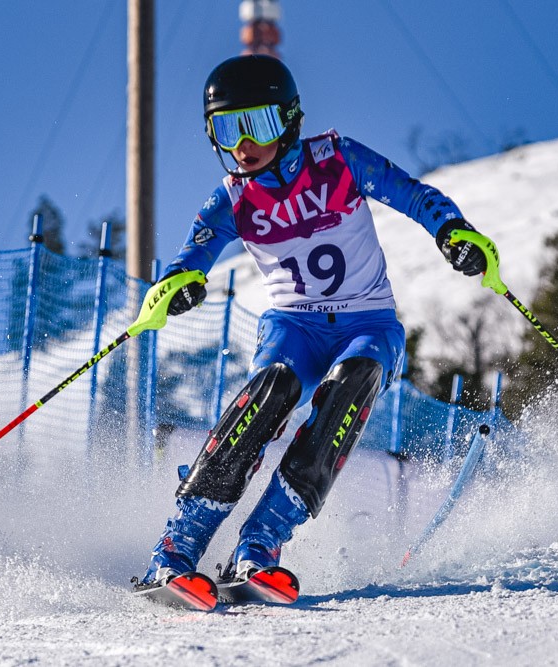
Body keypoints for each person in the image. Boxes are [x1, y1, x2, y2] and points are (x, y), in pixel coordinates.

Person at [137, 54, 487, 587]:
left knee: (350, 388)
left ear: (289, 120)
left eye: (257, 125)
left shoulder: (339, 160)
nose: (243, 145)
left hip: (367, 324)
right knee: (270, 393)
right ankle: (176, 548)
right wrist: (179, 285)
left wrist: (451, 231)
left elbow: (415, 195)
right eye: (227, 130)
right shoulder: (232, 198)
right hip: (293, 329)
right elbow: (190, 259)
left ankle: (258, 545)